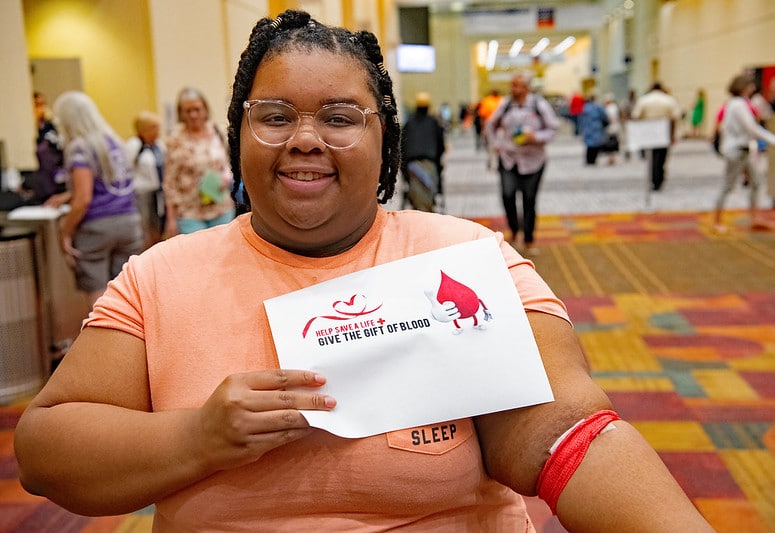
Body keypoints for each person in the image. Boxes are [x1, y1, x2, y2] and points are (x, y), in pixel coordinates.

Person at [14, 11, 714, 532]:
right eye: (274, 116)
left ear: (384, 140)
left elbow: (564, 434)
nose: (305, 139)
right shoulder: (160, 277)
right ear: (237, 135)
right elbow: (46, 450)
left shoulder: (464, 258)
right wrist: (199, 437)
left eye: (341, 118)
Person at [49, 91, 143, 307]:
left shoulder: (80, 147)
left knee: (99, 300)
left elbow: (84, 198)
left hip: (97, 228)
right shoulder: (115, 142)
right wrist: (68, 195)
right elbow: (111, 183)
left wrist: (65, 232)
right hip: (129, 223)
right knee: (124, 295)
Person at [485, 72, 559, 255]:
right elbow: (489, 124)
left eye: (517, 85)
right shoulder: (505, 104)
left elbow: (553, 128)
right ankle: (514, 229)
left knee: (529, 199)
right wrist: (495, 144)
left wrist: (536, 137)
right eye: (512, 85)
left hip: (533, 161)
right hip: (509, 159)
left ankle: (528, 238)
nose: (514, 89)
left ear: (527, 87)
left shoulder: (538, 105)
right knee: (507, 195)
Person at [714, 74, 775, 234]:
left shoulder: (736, 104)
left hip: (742, 150)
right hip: (736, 151)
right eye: (750, 85)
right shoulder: (738, 105)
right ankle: (717, 221)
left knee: (757, 182)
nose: (753, 88)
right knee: (727, 186)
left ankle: (754, 217)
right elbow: (751, 127)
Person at [163, 87, 235, 236]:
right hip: (189, 212)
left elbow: (227, 162)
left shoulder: (218, 131)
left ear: (205, 109)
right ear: (181, 113)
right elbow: (170, 183)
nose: (193, 115)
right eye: (188, 111)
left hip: (221, 206)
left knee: (222, 248)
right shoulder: (175, 140)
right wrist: (171, 219)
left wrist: (227, 175)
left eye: (197, 109)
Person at [126, 111, 166, 249]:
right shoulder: (133, 145)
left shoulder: (159, 145)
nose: (157, 131)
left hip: (158, 193)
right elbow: (127, 170)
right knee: (144, 229)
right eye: (154, 128)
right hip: (142, 195)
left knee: (159, 226)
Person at [631, 82, 682, 191]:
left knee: (651, 156)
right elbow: (674, 118)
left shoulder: (644, 100)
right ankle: (659, 178)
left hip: (648, 131)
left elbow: (636, 116)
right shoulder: (668, 100)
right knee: (661, 156)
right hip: (664, 130)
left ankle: (653, 178)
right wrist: (673, 134)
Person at [401, 91, 446, 211]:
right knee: (428, 195)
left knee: (417, 198)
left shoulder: (409, 124)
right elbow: (441, 145)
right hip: (429, 164)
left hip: (412, 166)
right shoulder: (434, 123)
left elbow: (402, 146)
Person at [25, 91, 66, 204]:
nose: (41, 109)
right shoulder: (30, 129)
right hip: (40, 182)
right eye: (37, 105)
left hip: (55, 182)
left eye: (42, 104)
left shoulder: (51, 129)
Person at [578, 93, 608, 166]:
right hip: (596, 127)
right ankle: (593, 160)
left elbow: (581, 119)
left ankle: (589, 160)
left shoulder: (584, 108)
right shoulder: (597, 107)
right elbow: (604, 116)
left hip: (587, 128)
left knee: (589, 145)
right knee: (596, 145)